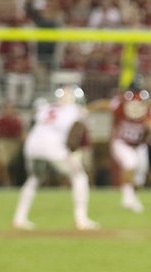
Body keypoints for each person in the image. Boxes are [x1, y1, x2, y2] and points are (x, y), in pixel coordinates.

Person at [12, 85, 99, 231]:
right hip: (53, 146)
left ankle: (19, 218)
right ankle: (81, 219)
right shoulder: (75, 110)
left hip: (32, 144)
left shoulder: (45, 108)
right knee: (79, 177)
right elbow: (78, 132)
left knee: (33, 179)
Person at [91, 84, 151, 213]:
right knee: (130, 164)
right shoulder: (120, 103)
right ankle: (127, 198)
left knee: (139, 179)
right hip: (121, 142)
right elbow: (104, 104)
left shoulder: (150, 108)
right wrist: (86, 110)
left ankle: (132, 198)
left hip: (140, 145)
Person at [0, 102, 25, 186]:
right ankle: (6, 182)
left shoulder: (17, 120)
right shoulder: (0, 120)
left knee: (16, 162)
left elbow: (21, 135)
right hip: (3, 142)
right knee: (3, 162)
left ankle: (16, 181)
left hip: (15, 143)